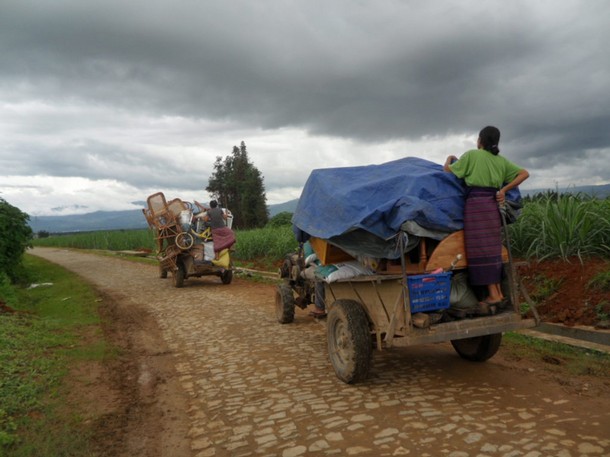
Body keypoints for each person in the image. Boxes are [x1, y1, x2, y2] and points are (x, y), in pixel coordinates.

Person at [444, 126, 529, 309]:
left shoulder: (472, 155)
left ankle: (493, 295)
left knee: (480, 250)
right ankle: (497, 293)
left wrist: (449, 159)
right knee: (491, 249)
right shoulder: (500, 161)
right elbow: (524, 173)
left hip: (475, 206)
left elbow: (448, 172)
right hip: (492, 206)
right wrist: (504, 190)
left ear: (480, 140)